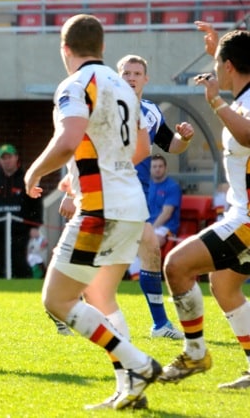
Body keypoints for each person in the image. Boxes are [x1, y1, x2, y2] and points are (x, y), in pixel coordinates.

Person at [23, 14, 161, 410]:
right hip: (131, 203)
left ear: (64, 49)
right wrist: (82, 173)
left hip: (100, 209)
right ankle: (129, 387)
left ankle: (138, 363)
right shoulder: (123, 86)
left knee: (57, 300)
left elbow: (67, 141)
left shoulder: (76, 84)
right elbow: (137, 151)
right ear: (102, 48)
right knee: (101, 296)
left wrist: (36, 170)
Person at [57, 53, 192, 342]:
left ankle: (156, 324)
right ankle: (64, 305)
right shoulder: (104, 109)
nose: (131, 78)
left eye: (136, 73)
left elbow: (172, 146)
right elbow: (81, 149)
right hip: (104, 190)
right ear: (118, 77)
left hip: (133, 194)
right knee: (97, 253)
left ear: (146, 79)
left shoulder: (151, 112)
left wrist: (185, 138)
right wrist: (72, 190)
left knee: (146, 249)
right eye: (126, 73)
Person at [159, 23, 250, 390]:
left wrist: (214, 100)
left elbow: (248, 133)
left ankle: (195, 353)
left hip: (247, 220)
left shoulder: (241, 102)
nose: (213, 72)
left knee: (176, 266)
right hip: (240, 213)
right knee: (224, 286)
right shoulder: (242, 96)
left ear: (228, 67)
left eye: (218, 64)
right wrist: (220, 50)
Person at [0, 143, 43, 279]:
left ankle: (24, 287)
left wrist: (35, 226)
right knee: (0, 261)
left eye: (9, 157)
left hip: (21, 230)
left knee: (19, 261)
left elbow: (36, 204)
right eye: (3, 158)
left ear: (16, 158)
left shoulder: (26, 179)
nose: (7, 161)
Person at [147, 154, 182, 248]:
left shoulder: (172, 187)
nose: (157, 169)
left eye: (160, 166)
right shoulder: (147, 186)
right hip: (148, 226)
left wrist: (151, 229)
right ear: (150, 169)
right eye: (154, 166)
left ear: (165, 168)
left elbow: (166, 214)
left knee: (150, 242)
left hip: (165, 228)